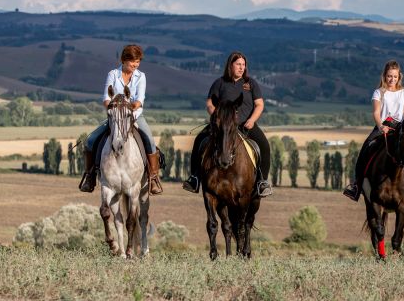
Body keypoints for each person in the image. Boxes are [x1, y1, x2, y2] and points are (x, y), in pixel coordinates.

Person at [182, 51, 272, 197]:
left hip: (246, 125)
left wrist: (252, 120)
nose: (241, 67)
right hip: (222, 126)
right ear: (230, 65)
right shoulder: (219, 83)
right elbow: (210, 103)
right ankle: (195, 178)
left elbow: (259, 104)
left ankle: (262, 182)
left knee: (264, 146)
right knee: (199, 141)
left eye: (243, 65)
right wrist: (217, 118)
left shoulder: (251, 83)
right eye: (238, 64)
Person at [343, 60, 404, 204]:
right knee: (366, 148)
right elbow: (376, 112)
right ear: (385, 76)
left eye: (395, 76)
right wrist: (380, 126)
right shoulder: (379, 92)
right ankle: (356, 186)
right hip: (383, 126)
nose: (392, 79)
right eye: (389, 76)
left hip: (401, 128)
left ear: (399, 77)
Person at [78, 44, 163, 195]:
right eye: (133, 62)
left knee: (150, 140)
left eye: (138, 62)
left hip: (135, 116)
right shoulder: (113, 74)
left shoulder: (141, 76)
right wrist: (114, 108)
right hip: (116, 117)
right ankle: (90, 177)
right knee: (91, 140)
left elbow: (139, 100)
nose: (135, 65)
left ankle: (153, 178)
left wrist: (130, 106)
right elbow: (106, 98)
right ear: (124, 60)